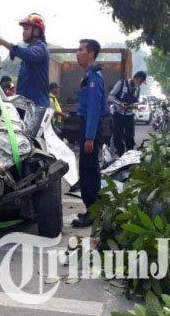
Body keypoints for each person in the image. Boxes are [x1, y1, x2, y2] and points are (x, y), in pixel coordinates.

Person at [71, 39, 111, 228]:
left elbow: (94, 109)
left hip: (90, 128)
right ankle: (92, 210)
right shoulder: (89, 75)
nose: (77, 53)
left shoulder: (94, 77)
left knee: (89, 171)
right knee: (87, 169)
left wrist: (89, 137)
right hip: (87, 126)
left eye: (81, 50)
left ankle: (93, 212)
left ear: (91, 54)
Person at [0, 13, 49, 107]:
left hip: (37, 107)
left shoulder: (41, 48)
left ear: (37, 31)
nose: (23, 32)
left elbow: (27, 54)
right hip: (26, 106)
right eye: (23, 29)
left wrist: (3, 42)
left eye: (27, 29)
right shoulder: (32, 48)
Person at [108, 71, 147, 156]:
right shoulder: (121, 84)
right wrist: (119, 103)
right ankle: (121, 155)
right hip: (118, 114)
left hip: (129, 115)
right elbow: (110, 96)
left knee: (130, 138)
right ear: (136, 78)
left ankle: (129, 157)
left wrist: (136, 106)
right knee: (117, 138)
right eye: (140, 81)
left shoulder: (138, 89)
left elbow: (135, 102)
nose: (140, 84)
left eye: (141, 83)